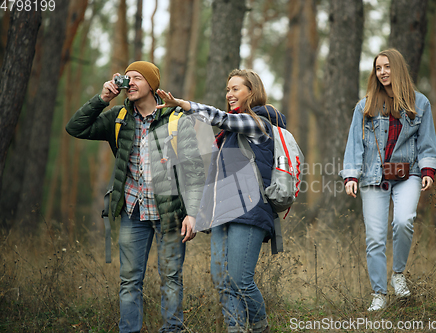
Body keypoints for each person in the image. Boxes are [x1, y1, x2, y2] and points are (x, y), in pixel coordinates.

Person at [66, 61, 205, 332]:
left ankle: (172, 330)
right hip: (133, 211)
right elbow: (76, 128)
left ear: (152, 85)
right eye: (126, 77)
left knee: (171, 278)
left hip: (170, 214)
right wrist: (102, 99)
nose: (129, 82)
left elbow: (195, 170)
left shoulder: (176, 119)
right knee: (130, 281)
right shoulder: (118, 117)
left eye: (137, 78)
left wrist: (192, 212)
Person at [156, 69, 284, 333]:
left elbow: (222, 118)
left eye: (236, 88)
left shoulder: (258, 124)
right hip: (220, 214)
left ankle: (261, 328)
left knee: (240, 279)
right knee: (222, 281)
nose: (230, 94)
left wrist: (185, 105)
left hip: (248, 212)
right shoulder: (226, 137)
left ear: (253, 91)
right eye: (228, 89)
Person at [340, 49, 436, 311]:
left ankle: (398, 275)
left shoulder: (420, 104)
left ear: (397, 68)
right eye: (378, 68)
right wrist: (351, 175)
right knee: (374, 237)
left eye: (387, 66)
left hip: (408, 174)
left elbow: (427, 144)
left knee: (404, 219)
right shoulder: (365, 106)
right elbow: (354, 144)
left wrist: (428, 171)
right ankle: (379, 294)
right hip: (373, 176)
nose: (382, 72)